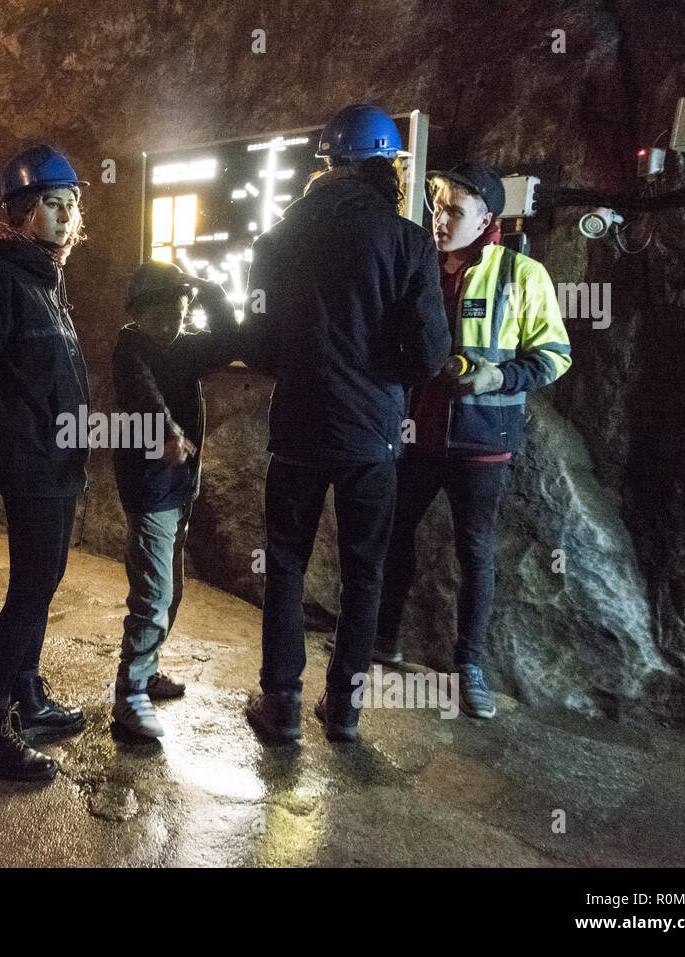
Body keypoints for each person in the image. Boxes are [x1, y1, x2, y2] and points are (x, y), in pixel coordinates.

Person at [242, 104, 450, 744]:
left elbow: (257, 343)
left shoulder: (275, 239)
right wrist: (380, 372)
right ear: (385, 165)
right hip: (372, 436)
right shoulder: (408, 241)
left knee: (284, 562)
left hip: (299, 428)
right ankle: (345, 711)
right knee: (365, 571)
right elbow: (432, 354)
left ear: (327, 165)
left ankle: (279, 703)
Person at [373, 162, 571, 719]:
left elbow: (554, 356)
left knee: (476, 553)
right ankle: (383, 639)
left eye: (454, 211)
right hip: (415, 433)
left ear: (488, 217)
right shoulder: (418, 265)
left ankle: (469, 667)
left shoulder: (523, 275)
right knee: (394, 537)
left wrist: (498, 376)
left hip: (483, 440)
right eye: (437, 207)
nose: (440, 219)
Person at [0, 144, 90, 782]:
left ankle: (27, 693)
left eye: (70, 206)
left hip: (57, 458)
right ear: (23, 213)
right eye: (51, 206)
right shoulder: (0, 276)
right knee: (30, 590)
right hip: (33, 459)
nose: (64, 217)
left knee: (46, 582)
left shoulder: (44, 277)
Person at [109, 262, 240, 738]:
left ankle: (150, 668)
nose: (169, 319)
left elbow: (231, 342)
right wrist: (169, 431)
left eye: (178, 309)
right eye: (158, 310)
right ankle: (131, 695)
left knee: (172, 589)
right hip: (148, 489)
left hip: (181, 486)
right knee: (154, 593)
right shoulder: (131, 346)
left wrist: (213, 291)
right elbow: (143, 393)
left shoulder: (188, 346)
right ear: (137, 313)